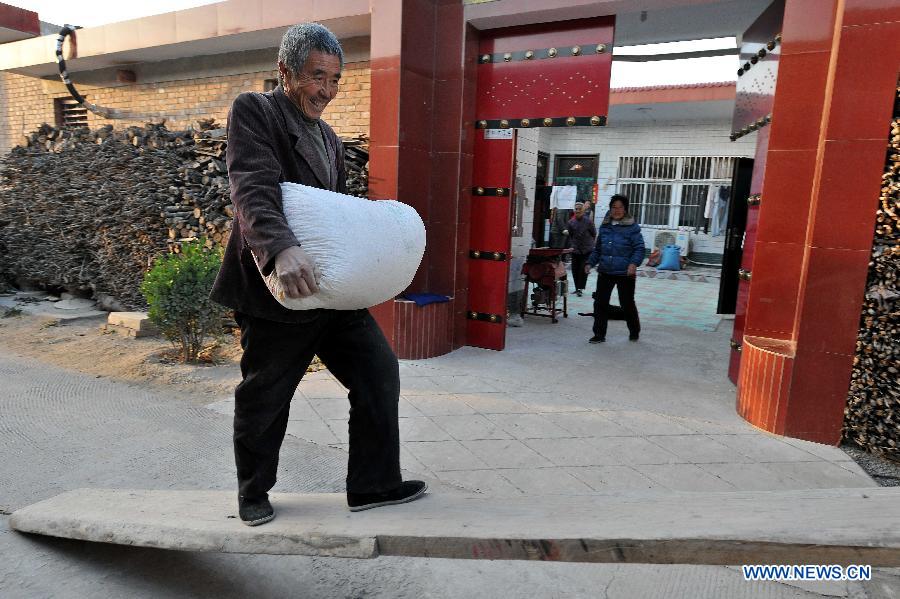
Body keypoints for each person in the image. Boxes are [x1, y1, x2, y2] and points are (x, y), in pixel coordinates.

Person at [210, 23, 426, 526]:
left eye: (334, 79)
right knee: (267, 395)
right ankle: (253, 492)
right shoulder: (255, 111)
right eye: (316, 77)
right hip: (279, 289)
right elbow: (252, 186)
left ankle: (374, 485)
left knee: (378, 372)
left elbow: (331, 211)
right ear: (286, 72)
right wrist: (281, 250)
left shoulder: (329, 137)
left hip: (329, 291)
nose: (326, 91)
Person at [585, 194, 645, 343]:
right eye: (614, 207)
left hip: (625, 273)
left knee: (627, 303)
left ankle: (634, 331)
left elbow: (639, 248)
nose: (617, 210)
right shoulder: (605, 226)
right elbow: (598, 249)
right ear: (610, 209)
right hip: (605, 271)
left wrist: (633, 264)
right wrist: (589, 263)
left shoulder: (632, 228)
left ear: (625, 210)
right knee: (600, 303)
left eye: (620, 207)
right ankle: (599, 334)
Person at [566, 202, 596, 297]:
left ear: (583, 211)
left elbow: (594, 233)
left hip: (587, 249)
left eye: (579, 209)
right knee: (575, 269)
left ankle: (580, 288)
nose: (577, 210)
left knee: (583, 269)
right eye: (576, 209)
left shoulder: (588, 221)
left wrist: (590, 243)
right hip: (575, 249)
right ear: (574, 210)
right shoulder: (571, 222)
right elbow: (570, 234)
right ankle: (576, 288)